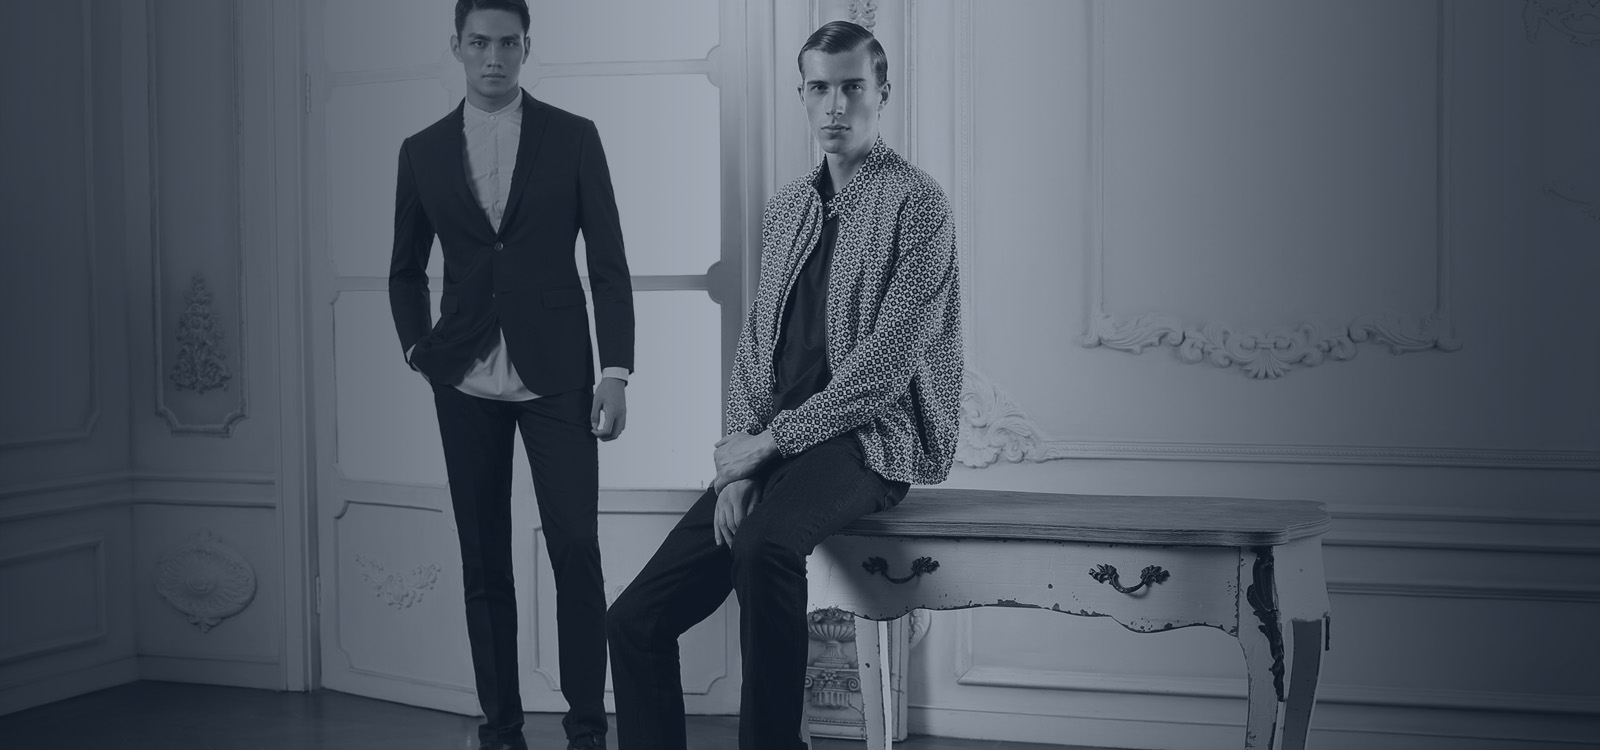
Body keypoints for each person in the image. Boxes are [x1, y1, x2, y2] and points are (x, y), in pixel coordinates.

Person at [605, 20, 963, 750]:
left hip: (867, 441)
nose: (836, 105)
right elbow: (755, 347)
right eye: (820, 88)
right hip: (774, 444)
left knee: (764, 546)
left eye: (853, 87)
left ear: (883, 93)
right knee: (634, 620)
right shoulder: (788, 207)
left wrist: (767, 445)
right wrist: (739, 462)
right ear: (802, 94)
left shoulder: (919, 204)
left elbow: (884, 370)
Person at [387, 1, 633, 748]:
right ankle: (501, 729)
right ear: (456, 46)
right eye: (479, 43)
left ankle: (586, 729)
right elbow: (404, 270)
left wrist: (615, 371)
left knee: (575, 550)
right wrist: (417, 350)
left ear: (526, 46)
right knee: (484, 560)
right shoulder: (421, 151)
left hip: (559, 377)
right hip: (463, 380)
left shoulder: (574, 136)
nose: (493, 58)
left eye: (507, 43)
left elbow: (609, 264)